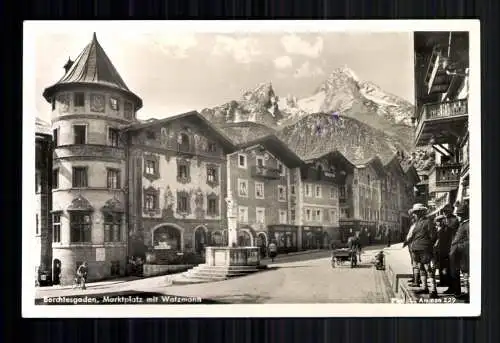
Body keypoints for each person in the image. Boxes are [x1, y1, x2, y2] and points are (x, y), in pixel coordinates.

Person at [406, 203, 438, 298]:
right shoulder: (417, 223)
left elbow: (433, 236)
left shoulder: (428, 222)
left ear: (420, 212)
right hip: (416, 248)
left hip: (424, 249)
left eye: (415, 212)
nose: (414, 214)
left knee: (428, 268)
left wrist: (428, 245)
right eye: (414, 213)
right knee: (421, 268)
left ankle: (433, 290)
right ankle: (424, 287)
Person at [446, 203, 470, 300]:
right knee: (463, 272)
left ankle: (469, 294)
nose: (458, 217)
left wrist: (459, 246)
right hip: (458, 252)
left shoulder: (468, 224)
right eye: (458, 214)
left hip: (463, 252)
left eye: (460, 215)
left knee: (466, 272)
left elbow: (470, 240)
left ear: (464, 215)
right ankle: (466, 293)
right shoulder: (462, 224)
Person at [436, 204, 460, 287]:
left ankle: (450, 284)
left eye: (446, 211)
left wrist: (445, 224)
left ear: (451, 211)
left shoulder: (454, 219)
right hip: (443, 247)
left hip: (449, 246)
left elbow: (449, 231)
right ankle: (444, 281)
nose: (444, 212)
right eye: (444, 211)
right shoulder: (444, 220)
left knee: (449, 267)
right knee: (442, 266)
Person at [403, 213, 418, 286]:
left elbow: (411, 236)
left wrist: (406, 242)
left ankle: (417, 279)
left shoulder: (416, 225)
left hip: (413, 245)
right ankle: (414, 277)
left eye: (412, 218)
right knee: (413, 262)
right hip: (411, 245)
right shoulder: (412, 225)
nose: (411, 219)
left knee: (415, 262)